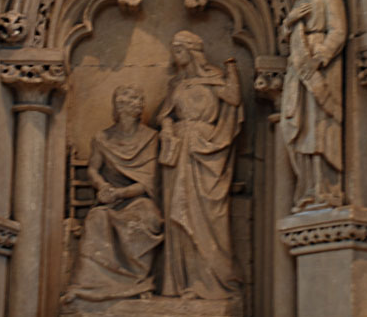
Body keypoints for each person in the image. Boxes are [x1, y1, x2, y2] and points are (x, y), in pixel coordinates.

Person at [159, 30, 243, 300]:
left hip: (207, 150)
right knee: (177, 216)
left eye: (178, 49)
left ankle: (211, 283)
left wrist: (232, 70)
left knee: (208, 219)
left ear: (192, 51)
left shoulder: (212, 79)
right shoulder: (177, 84)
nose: (175, 55)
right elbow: (165, 115)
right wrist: (168, 128)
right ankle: (182, 283)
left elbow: (233, 98)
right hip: (179, 150)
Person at [66, 85, 163, 301]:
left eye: (137, 102)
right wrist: (102, 187)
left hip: (138, 198)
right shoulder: (102, 138)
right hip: (110, 200)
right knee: (96, 218)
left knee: (147, 218)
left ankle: (138, 283)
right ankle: (90, 285)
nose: (136, 106)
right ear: (118, 108)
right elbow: (93, 168)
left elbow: (150, 179)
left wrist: (121, 193)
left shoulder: (151, 138)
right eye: (129, 102)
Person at [280, 0, 347, 212]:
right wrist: (290, 22)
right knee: (297, 125)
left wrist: (321, 57)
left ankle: (325, 188)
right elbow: (286, 32)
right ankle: (307, 187)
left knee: (319, 128)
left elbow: (339, 31)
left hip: (319, 65)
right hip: (298, 64)